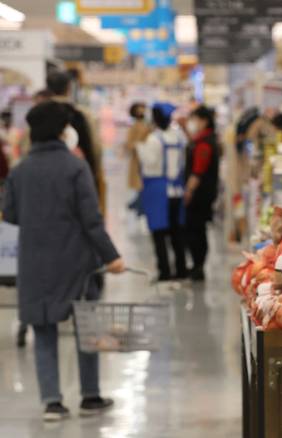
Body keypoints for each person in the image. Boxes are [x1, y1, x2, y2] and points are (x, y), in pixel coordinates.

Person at [3, 101, 125, 421]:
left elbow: (11, 215)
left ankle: (52, 402)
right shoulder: (75, 167)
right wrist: (111, 256)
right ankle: (90, 396)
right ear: (62, 130)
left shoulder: (20, 171)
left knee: (43, 329)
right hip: (76, 262)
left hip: (35, 262)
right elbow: (91, 220)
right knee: (86, 326)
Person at [138, 103, 187, 281]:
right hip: (177, 190)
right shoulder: (179, 138)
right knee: (177, 232)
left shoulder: (153, 139)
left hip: (157, 189)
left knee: (158, 233)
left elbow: (149, 163)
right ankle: (181, 268)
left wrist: (139, 147)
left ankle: (164, 271)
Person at [46, 70, 107, 213]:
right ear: (69, 88)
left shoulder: (38, 116)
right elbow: (95, 150)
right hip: (78, 179)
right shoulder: (83, 115)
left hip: (46, 182)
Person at [183, 105, 220, 281]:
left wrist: (189, 191)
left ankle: (198, 267)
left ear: (204, 121)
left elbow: (198, 170)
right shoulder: (206, 139)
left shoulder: (204, 143)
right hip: (206, 194)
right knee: (198, 230)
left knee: (195, 231)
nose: (193, 123)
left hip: (199, 195)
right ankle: (198, 265)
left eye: (195, 119)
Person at [124, 102, 150, 213]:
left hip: (146, 158)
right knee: (140, 183)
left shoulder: (145, 124)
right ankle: (139, 205)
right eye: (141, 109)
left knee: (143, 183)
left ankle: (138, 203)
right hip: (138, 159)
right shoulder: (135, 126)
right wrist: (139, 145)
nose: (143, 111)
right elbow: (129, 144)